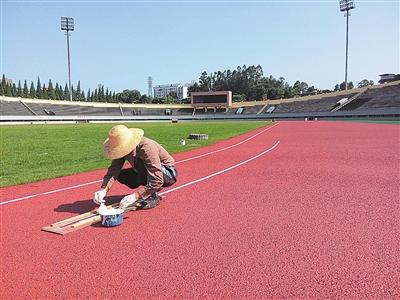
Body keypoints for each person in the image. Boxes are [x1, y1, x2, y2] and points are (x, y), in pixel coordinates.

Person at [93, 125, 177, 210]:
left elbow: (158, 179)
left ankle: (151, 193)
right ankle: (148, 190)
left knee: (141, 164)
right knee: (121, 174)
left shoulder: (147, 147)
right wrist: (103, 189)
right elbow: (114, 170)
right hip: (145, 171)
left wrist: (136, 195)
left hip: (167, 174)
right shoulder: (121, 151)